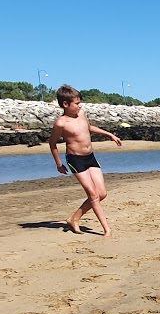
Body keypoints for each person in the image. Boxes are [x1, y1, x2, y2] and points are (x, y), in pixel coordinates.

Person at [47, 84, 123, 237]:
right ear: (65, 104)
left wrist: (109, 135)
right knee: (93, 195)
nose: (79, 105)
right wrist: (59, 164)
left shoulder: (81, 113)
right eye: (76, 103)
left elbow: (88, 127)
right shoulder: (61, 123)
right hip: (75, 160)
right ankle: (106, 230)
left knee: (102, 193)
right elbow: (52, 143)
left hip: (90, 157)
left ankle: (74, 218)